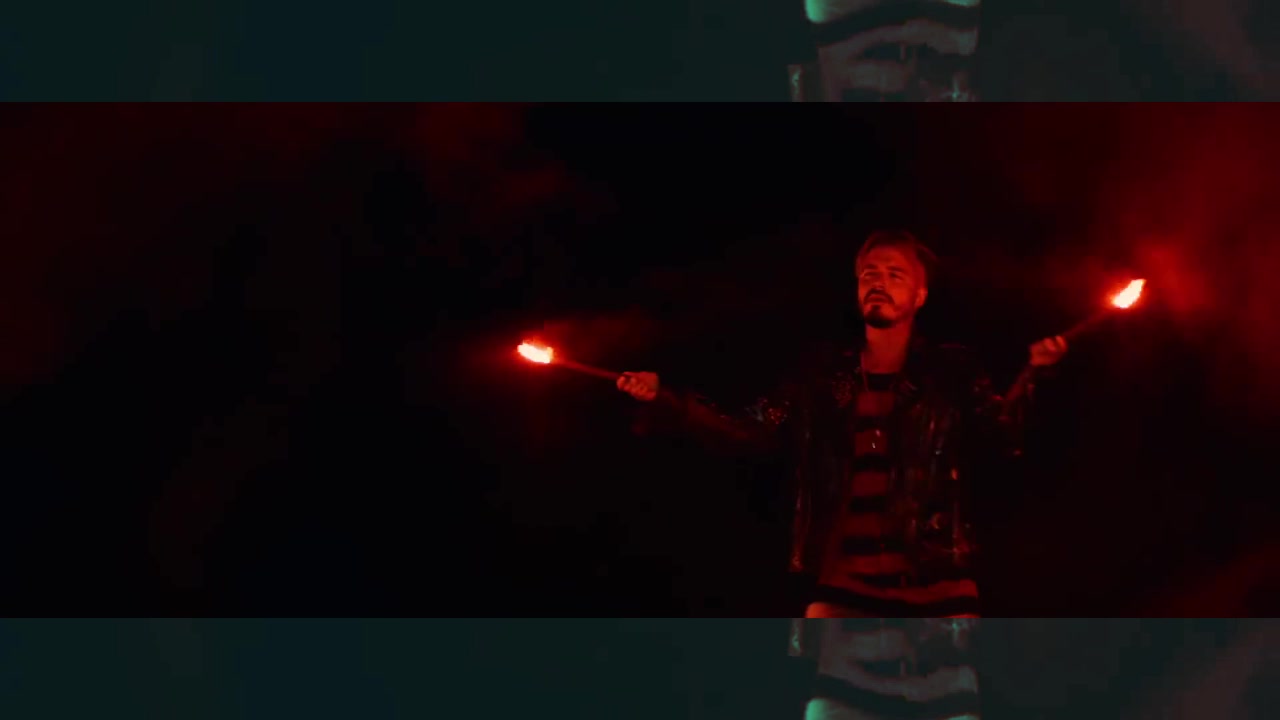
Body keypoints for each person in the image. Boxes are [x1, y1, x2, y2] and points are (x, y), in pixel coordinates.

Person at [616, 229, 1068, 720]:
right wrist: (666, 401)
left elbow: (1002, 435)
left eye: (895, 274)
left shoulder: (950, 371)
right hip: (847, 593)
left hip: (936, 590)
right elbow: (750, 429)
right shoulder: (822, 375)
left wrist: (1036, 374)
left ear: (920, 295)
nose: (879, 283)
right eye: (869, 274)